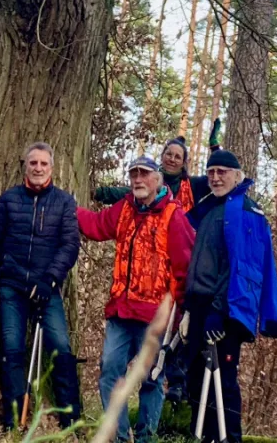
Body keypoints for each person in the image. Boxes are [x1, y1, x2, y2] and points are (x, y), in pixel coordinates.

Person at [77, 155, 194, 443]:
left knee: (151, 380)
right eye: (133, 175)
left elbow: (184, 268)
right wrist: (67, 206)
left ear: (157, 180)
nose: (138, 180)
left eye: (144, 174)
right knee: (109, 373)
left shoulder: (173, 216)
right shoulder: (125, 208)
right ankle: (119, 436)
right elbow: (96, 225)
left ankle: (145, 438)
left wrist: (180, 314)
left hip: (156, 318)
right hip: (120, 311)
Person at [179, 150, 277, 443]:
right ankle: (205, 435)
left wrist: (219, 310)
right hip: (201, 308)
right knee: (197, 379)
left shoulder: (245, 212)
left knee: (223, 380)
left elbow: (242, 267)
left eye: (222, 171)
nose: (215, 177)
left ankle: (229, 438)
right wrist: (190, 308)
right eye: (211, 172)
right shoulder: (210, 209)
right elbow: (200, 264)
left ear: (238, 175)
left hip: (225, 311)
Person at [0, 142, 81, 429]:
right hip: (11, 285)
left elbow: (70, 245)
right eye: (33, 163)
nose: (38, 168)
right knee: (12, 348)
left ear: (51, 167)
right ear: (25, 165)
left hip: (46, 287)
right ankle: (13, 418)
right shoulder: (9, 198)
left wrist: (51, 278)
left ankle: (70, 418)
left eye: (43, 164)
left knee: (60, 345)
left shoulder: (64, 202)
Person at [94, 118, 222, 211]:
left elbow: (219, 178)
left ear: (183, 163)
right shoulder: (152, 178)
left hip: (180, 245)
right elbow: (127, 193)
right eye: (169, 154)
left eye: (177, 157)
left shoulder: (193, 186)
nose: (172, 159)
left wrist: (215, 148)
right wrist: (97, 192)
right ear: (162, 156)